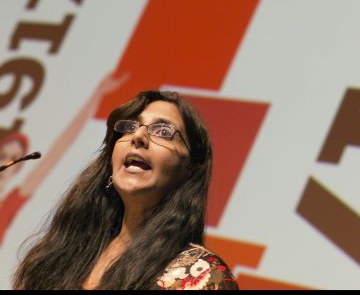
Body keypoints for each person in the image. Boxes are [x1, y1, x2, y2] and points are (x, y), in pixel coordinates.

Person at [12, 90, 239, 290]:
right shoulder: (66, 251)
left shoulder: (201, 275)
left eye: (163, 131)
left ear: (189, 169)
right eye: (129, 127)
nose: (138, 136)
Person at [0, 71, 129, 286]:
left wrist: (96, 95)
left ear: (17, 169)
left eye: (13, 159)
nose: (5, 162)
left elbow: (58, 150)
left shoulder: (10, 204)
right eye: (2, 156)